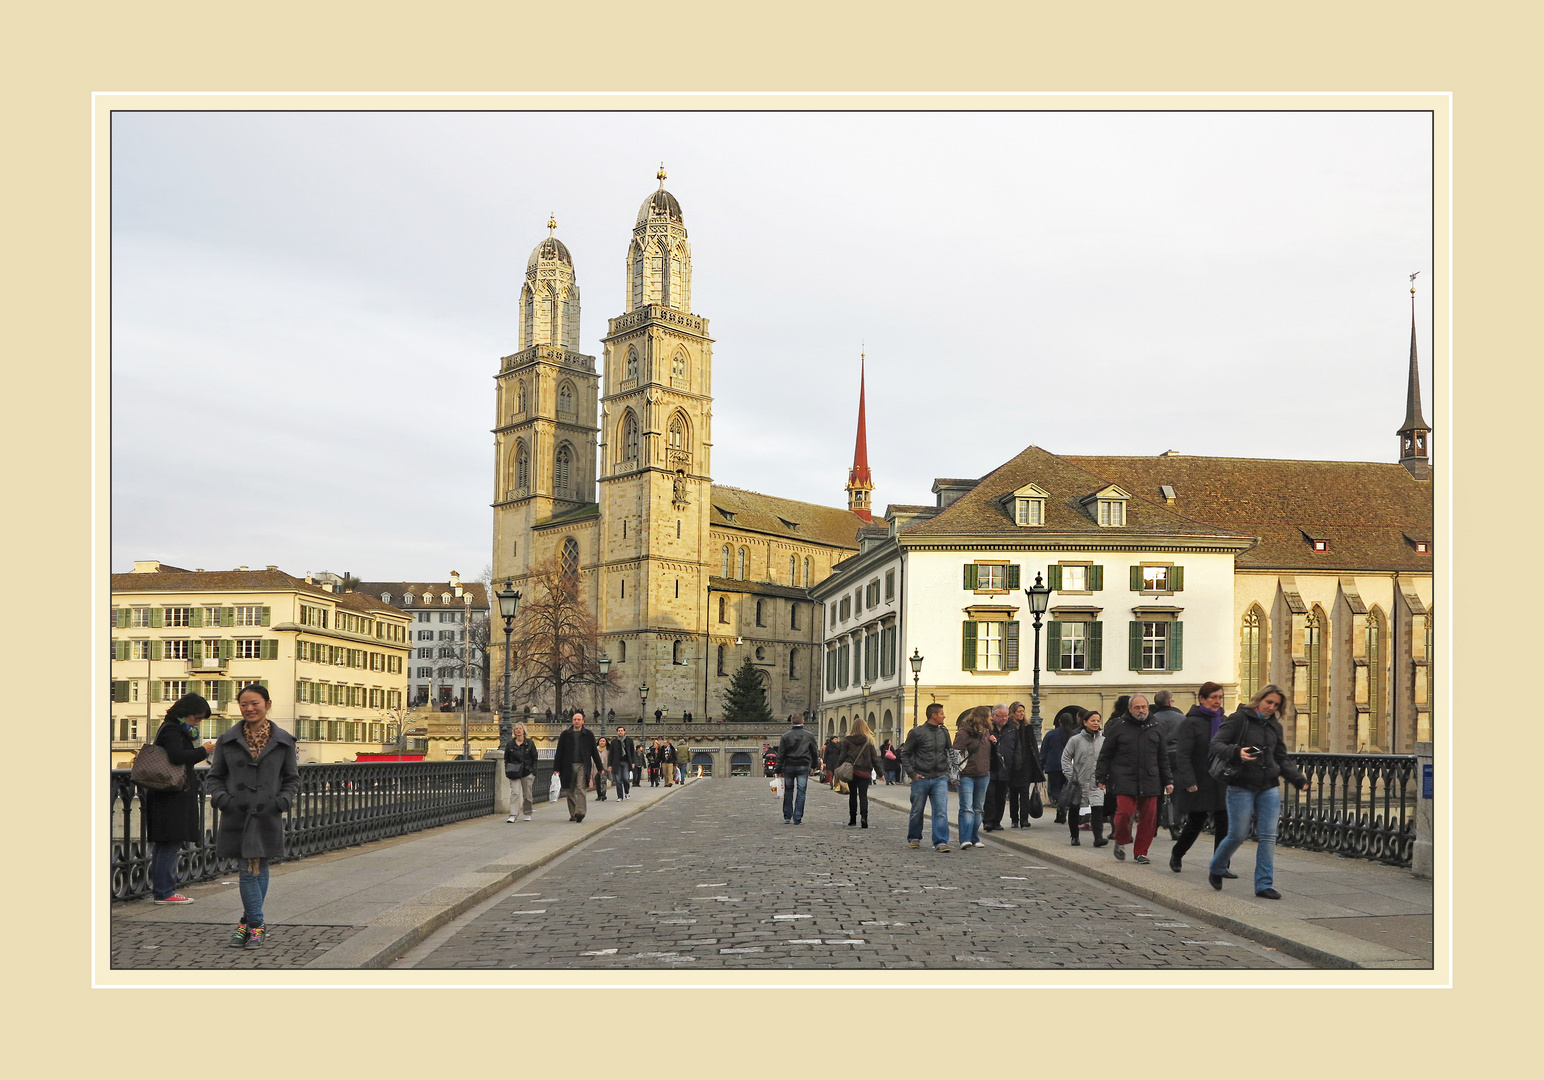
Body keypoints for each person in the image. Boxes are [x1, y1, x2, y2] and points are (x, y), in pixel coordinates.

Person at [202, 684, 299, 949]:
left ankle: (247, 923)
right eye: (244, 704)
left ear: (267, 704)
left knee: (261, 867)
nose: (249, 709)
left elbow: (291, 779)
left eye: (254, 703)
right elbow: (215, 777)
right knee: (247, 871)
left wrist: (282, 801)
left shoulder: (284, 741)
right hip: (237, 814)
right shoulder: (227, 740)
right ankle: (257, 925)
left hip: (268, 813)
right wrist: (224, 800)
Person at [1208, 684, 1309, 898]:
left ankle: (1264, 884)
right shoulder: (1239, 719)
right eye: (1269, 702)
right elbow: (1216, 744)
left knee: (1268, 836)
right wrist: (1237, 752)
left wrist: (1298, 779)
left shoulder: (1274, 726)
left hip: (1268, 786)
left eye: (1276, 705)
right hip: (1241, 785)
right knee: (1238, 834)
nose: (1271, 707)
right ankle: (1217, 867)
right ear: (1259, 700)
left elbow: (1280, 757)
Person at [143, 693, 218, 904]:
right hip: (171, 795)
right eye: (196, 718)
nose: (197, 722)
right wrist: (204, 750)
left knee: (165, 844)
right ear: (186, 713)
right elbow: (177, 757)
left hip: (167, 794)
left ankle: (162, 890)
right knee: (170, 843)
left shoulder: (171, 728)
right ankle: (165, 892)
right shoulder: (172, 730)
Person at [1095, 694, 1173, 863]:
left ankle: (1141, 852)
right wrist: (1101, 777)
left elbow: (1162, 757)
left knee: (1149, 817)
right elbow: (1106, 754)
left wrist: (1168, 780)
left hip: (1150, 779)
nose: (1141, 711)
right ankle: (1121, 840)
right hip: (1124, 777)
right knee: (1124, 812)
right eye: (1137, 707)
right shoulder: (1119, 727)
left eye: (1144, 707)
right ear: (1129, 709)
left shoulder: (1156, 727)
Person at [1169, 682, 1230, 871]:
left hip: (1220, 779)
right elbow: (1183, 754)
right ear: (1202, 699)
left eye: (1220, 697)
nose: (1217, 701)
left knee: (1224, 822)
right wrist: (1188, 780)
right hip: (1199, 779)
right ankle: (1177, 853)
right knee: (1196, 821)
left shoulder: (1224, 721)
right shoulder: (1191, 722)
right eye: (1213, 697)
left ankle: (1220, 865)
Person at [900, 703, 953, 851]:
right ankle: (914, 837)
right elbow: (905, 753)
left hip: (940, 776)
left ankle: (941, 841)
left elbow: (949, 752)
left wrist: (949, 772)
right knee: (917, 810)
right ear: (934, 715)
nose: (944, 716)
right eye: (942, 713)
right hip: (921, 777)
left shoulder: (944, 732)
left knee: (941, 810)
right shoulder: (917, 732)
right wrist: (912, 774)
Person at [1060, 710, 1106, 846]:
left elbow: (1108, 759)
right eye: (1093, 720)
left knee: (1098, 808)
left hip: (1096, 781)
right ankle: (1074, 836)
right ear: (1085, 722)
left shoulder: (1103, 741)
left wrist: (1105, 776)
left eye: (1098, 720)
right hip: (1078, 781)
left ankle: (1098, 837)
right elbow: (1066, 758)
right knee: (1075, 808)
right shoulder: (1075, 740)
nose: (1096, 723)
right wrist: (1071, 776)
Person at [953, 706, 994, 850]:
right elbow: (954, 754)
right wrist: (954, 775)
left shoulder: (987, 733)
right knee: (967, 808)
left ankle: (974, 837)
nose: (991, 718)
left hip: (983, 774)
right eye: (989, 716)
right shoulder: (964, 733)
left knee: (978, 809)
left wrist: (995, 743)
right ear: (982, 717)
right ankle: (964, 839)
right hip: (966, 775)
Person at [554, 710, 604, 823]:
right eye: (574, 719)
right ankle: (573, 813)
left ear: (583, 721)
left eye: (578, 719)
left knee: (581, 788)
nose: (576, 721)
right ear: (572, 721)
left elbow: (594, 752)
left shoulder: (588, 735)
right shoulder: (565, 735)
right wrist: (556, 769)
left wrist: (600, 768)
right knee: (570, 790)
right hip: (568, 765)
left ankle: (580, 812)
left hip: (582, 764)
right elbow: (559, 752)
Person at [1150, 689, 1188, 839]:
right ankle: (1175, 826)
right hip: (1177, 757)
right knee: (1177, 793)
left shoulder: (1153, 719)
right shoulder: (1181, 718)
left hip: (1158, 758)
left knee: (1156, 794)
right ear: (1170, 702)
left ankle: (1153, 826)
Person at [776, 713, 822, 825]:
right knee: (801, 791)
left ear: (791, 722)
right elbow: (814, 752)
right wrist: (814, 765)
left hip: (789, 765)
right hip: (803, 764)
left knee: (789, 790)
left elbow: (781, 754)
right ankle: (797, 817)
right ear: (803, 722)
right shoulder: (809, 735)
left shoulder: (785, 736)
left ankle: (787, 815)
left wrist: (778, 769)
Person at [837, 719, 884, 828]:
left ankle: (852, 819)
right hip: (865, 771)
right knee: (863, 795)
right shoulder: (869, 740)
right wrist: (880, 773)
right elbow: (874, 759)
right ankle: (864, 818)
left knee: (852, 795)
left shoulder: (847, 740)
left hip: (851, 771)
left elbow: (842, 756)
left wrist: (838, 768)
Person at [1006, 701, 1045, 827]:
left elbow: (1033, 745)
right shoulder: (1009, 727)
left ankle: (1024, 819)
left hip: (1026, 764)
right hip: (1013, 765)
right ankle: (1014, 819)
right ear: (1013, 713)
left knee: (1024, 792)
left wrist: (1037, 763)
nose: (1022, 714)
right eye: (1019, 711)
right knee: (1013, 793)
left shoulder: (1028, 727)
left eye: (1023, 711)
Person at [1042, 706, 1082, 825]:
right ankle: (1063, 808)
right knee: (1067, 789)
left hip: (1054, 766)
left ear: (1059, 721)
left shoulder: (1051, 734)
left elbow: (1044, 751)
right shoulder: (1075, 735)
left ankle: (1060, 809)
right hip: (1070, 766)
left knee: (1055, 789)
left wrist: (1041, 764)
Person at [504, 722, 538, 822]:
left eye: (520, 728)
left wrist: (533, 771)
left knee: (527, 795)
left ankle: (527, 812)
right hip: (514, 771)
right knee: (515, 792)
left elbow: (534, 758)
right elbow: (506, 758)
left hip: (527, 771)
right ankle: (513, 814)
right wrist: (507, 769)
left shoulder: (529, 743)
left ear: (523, 731)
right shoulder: (510, 744)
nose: (518, 730)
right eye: (516, 729)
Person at [610, 725, 636, 801]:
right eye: (619, 731)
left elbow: (632, 752)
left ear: (624, 732)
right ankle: (620, 796)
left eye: (621, 730)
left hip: (626, 762)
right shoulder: (614, 741)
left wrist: (633, 762)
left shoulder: (629, 740)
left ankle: (627, 792)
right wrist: (610, 764)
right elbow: (611, 753)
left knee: (625, 778)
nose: (620, 732)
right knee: (618, 780)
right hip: (616, 762)